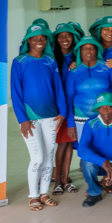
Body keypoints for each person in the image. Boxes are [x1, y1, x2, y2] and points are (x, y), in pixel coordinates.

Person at [12, 23, 67, 210]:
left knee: (49, 157)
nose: (39, 40)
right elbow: (16, 92)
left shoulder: (50, 61)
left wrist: (62, 112)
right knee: (37, 157)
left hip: (51, 117)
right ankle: (33, 196)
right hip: (31, 118)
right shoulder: (19, 62)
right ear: (28, 40)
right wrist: (22, 119)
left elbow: (58, 88)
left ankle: (44, 193)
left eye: (43, 37)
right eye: (35, 38)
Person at [77, 92, 112, 207]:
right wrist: (104, 162)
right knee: (86, 163)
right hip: (100, 164)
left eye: (108, 107)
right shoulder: (91, 124)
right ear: (97, 110)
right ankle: (94, 192)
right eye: (101, 108)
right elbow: (81, 149)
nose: (105, 111)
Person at [64, 36, 112, 142]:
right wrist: (70, 124)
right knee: (86, 151)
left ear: (97, 50)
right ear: (79, 52)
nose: (88, 51)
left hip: (106, 117)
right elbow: (69, 99)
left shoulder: (108, 68)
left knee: (106, 149)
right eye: (84, 48)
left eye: (92, 48)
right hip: (80, 119)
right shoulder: (73, 71)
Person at [50, 23, 80, 195]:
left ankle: (66, 179)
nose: (64, 39)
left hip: (74, 106)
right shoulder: (53, 58)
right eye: (60, 36)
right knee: (62, 144)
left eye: (68, 36)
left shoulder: (78, 56)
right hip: (59, 107)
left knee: (69, 143)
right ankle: (58, 181)